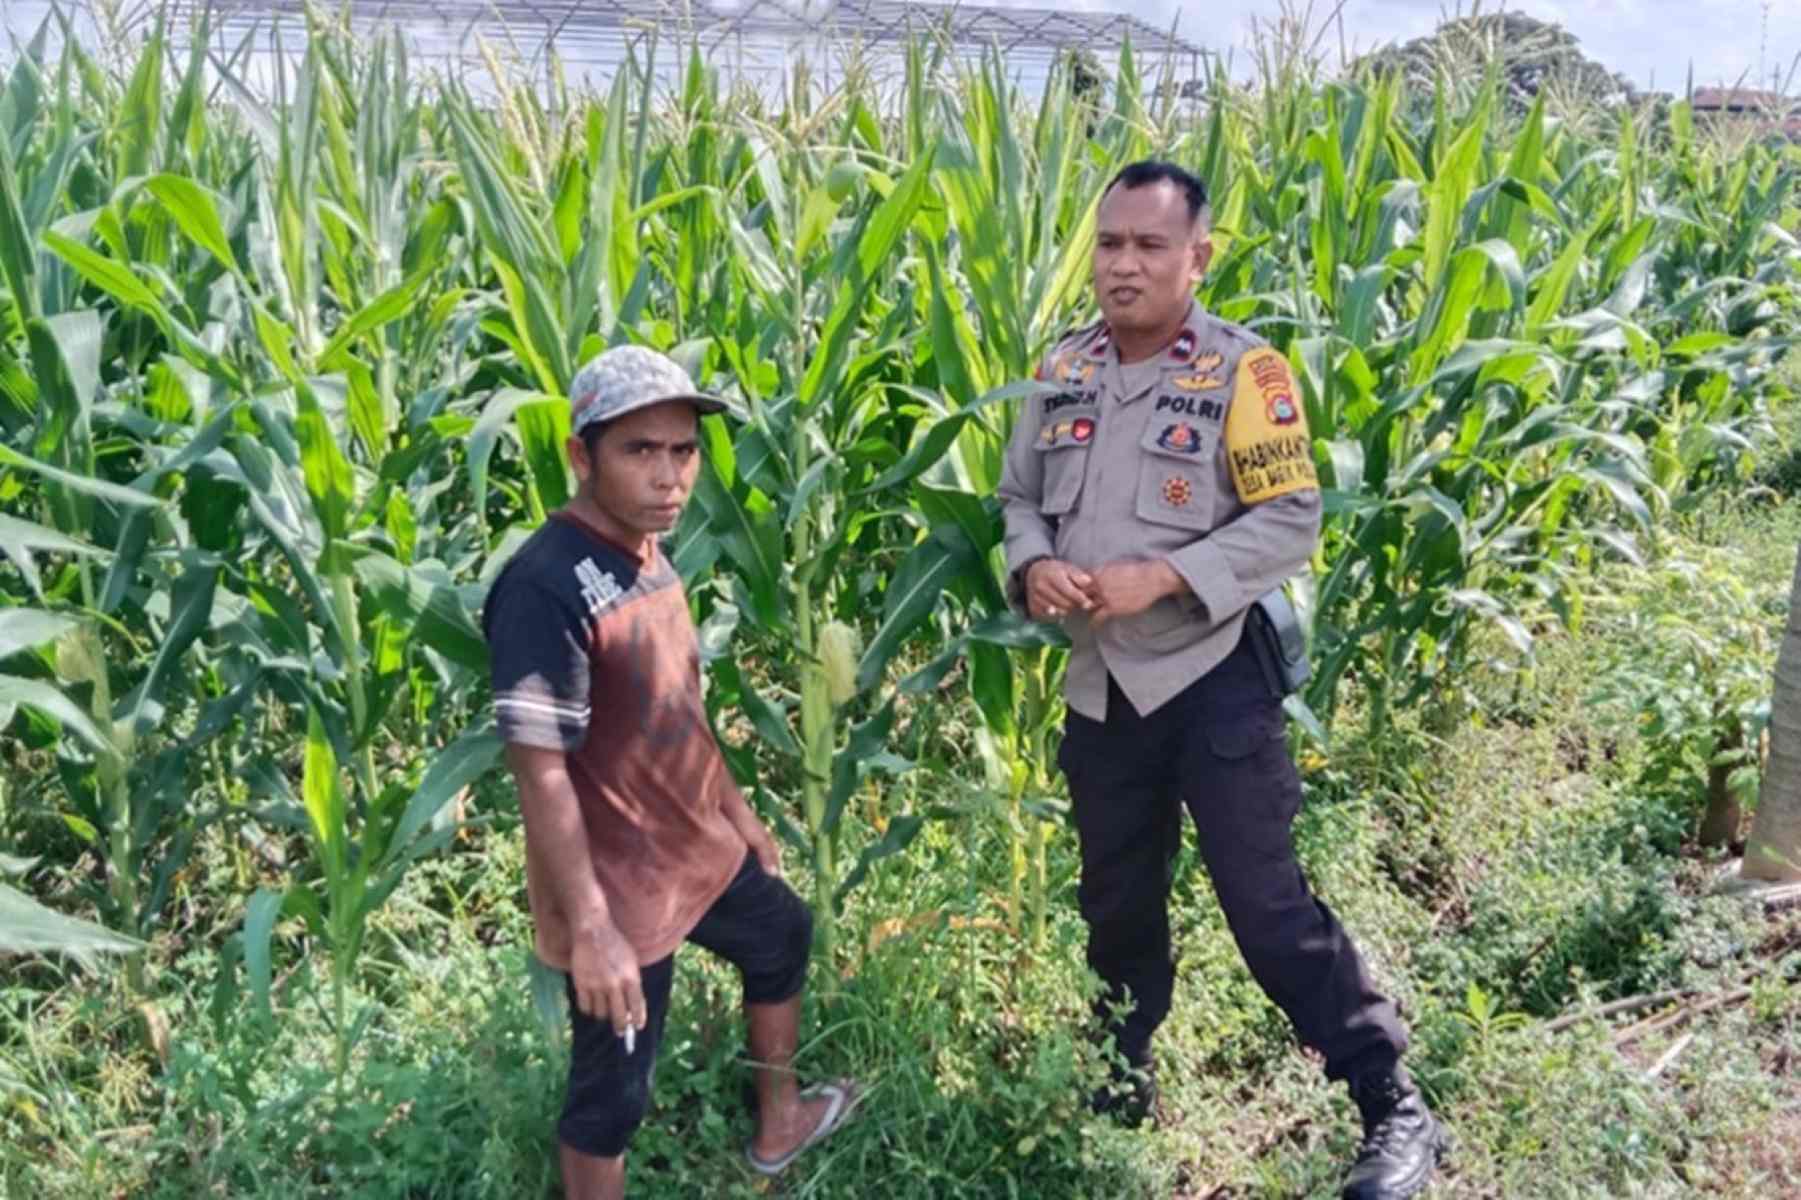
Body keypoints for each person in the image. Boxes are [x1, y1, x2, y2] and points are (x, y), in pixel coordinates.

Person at [996, 161, 1446, 1200]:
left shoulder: (1245, 373)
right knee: (1115, 903)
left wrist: (1166, 575)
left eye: (1149, 246)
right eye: (1110, 243)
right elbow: (1017, 496)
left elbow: (1291, 521)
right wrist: (1033, 564)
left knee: (1266, 906)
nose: (1123, 265)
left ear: (1197, 257)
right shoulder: (1061, 368)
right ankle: (1120, 1082)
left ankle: (1389, 1100)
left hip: (1211, 682)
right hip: (1102, 687)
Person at [482, 345, 857, 1200]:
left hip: (691, 848)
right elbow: (539, 774)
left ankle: (780, 1121)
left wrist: (737, 811)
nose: (669, 475)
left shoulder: (649, 552)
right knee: (611, 1099)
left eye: (683, 451)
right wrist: (591, 929)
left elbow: (678, 705)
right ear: (581, 457)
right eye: (639, 450)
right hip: (616, 886)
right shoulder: (544, 586)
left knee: (781, 935)